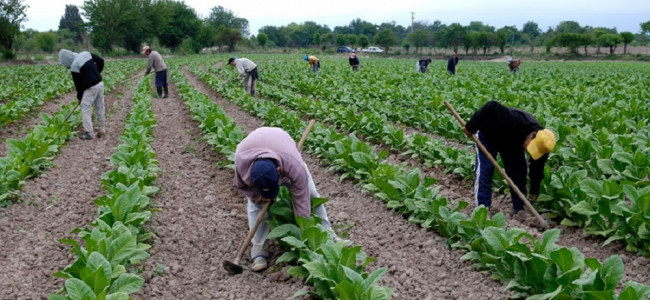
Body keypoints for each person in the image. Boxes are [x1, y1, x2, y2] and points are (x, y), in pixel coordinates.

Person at [233, 127, 336, 272]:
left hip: (283, 148)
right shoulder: (241, 162)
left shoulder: (293, 165)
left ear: (279, 172)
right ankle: (259, 251)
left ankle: (329, 236)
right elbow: (242, 186)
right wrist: (257, 196)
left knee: (312, 195)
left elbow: (301, 199)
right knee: (255, 206)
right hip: (253, 149)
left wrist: (304, 231)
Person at [462, 100, 556, 219]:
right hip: (489, 133)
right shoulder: (513, 120)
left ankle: (520, 208)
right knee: (486, 170)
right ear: (532, 135)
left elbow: (537, 169)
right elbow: (492, 105)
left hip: (512, 142)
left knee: (518, 172)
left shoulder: (544, 145)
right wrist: (471, 126)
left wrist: (534, 189)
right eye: (530, 146)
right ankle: (482, 209)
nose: (528, 150)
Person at [58, 49, 105, 140]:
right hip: (100, 84)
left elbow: (78, 85)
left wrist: (80, 98)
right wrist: (97, 73)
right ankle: (101, 129)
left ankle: (89, 133)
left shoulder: (74, 66)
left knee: (85, 108)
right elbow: (101, 60)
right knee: (100, 106)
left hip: (90, 88)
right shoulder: (86, 53)